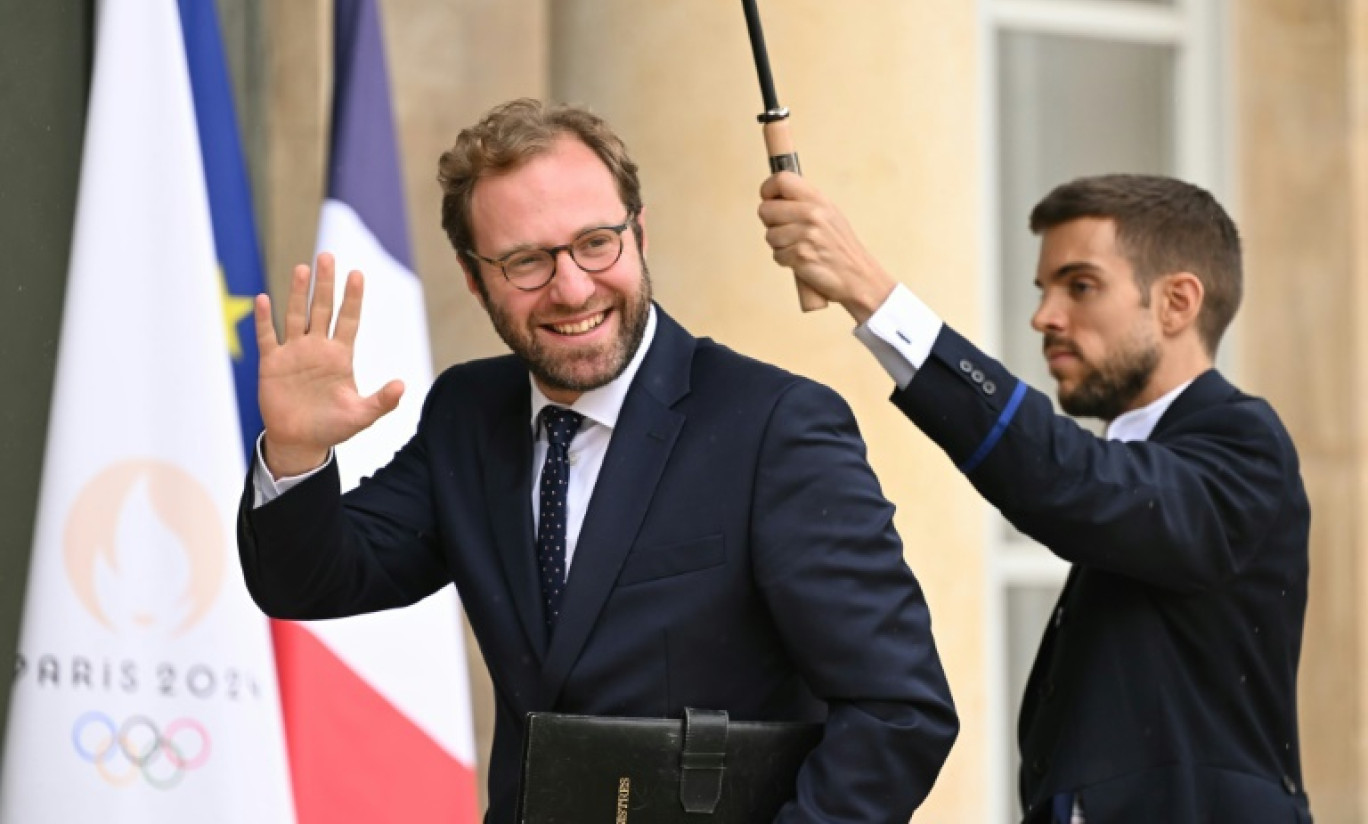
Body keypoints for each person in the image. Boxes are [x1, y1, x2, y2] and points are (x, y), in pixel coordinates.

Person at [237, 98, 958, 823]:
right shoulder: (467, 414)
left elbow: (899, 712)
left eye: (595, 243)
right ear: (472, 276)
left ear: (639, 233)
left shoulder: (774, 427)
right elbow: (312, 582)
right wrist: (297, 450)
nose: (573, 287)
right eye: (526, 261)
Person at [756, 171, 1312, 823]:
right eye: (1044, 289)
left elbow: (1067, 481)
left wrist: (873, 295)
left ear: (1178, 302)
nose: (1044, 316)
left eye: (1080, 286)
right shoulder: (1148, 469)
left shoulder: (1246, 446)